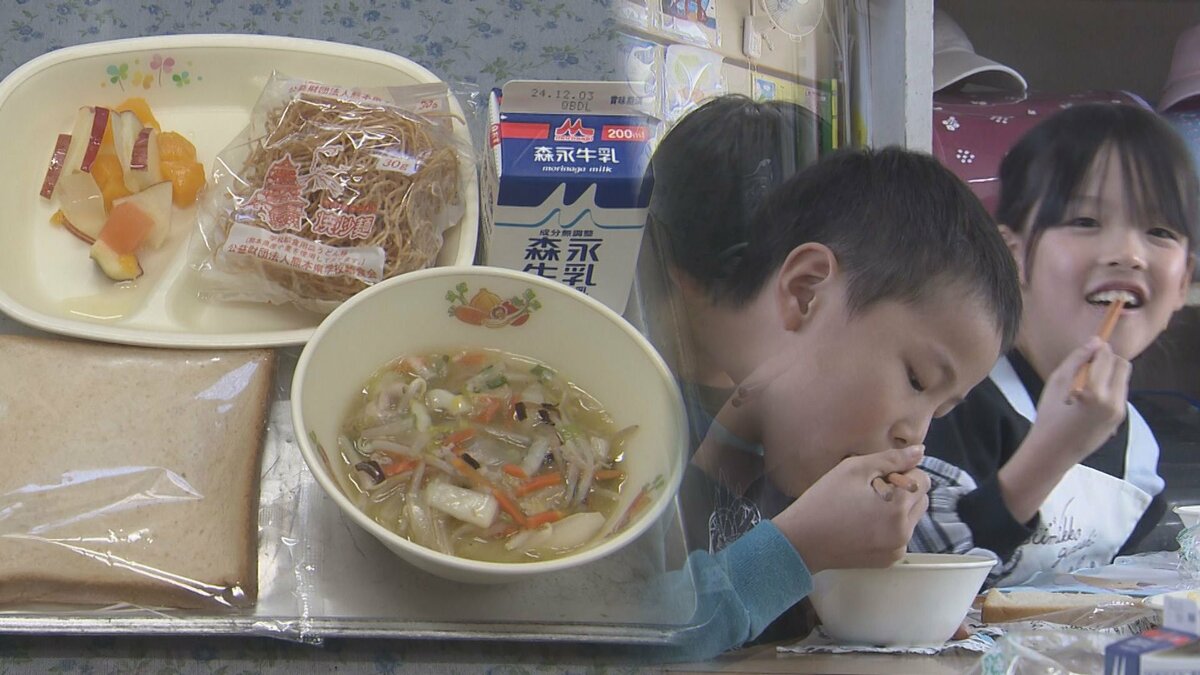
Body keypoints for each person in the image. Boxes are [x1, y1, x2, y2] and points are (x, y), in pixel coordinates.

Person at [635, 95, 1023, 659]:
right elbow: (618, 636)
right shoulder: (638, 423)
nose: (915, 438)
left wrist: (880, 598)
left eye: (940, 411)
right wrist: (798, 548)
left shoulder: (765, 430)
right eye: (915, 380)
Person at [910, 102, 1198, 588]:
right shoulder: (948, 402)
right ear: (1014, 256)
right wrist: (1052, 451)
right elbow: (916, 577)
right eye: (1085, 221)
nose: (1128, 254)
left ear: (1182, 283)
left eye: (1159, 231)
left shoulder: (1136, 443)